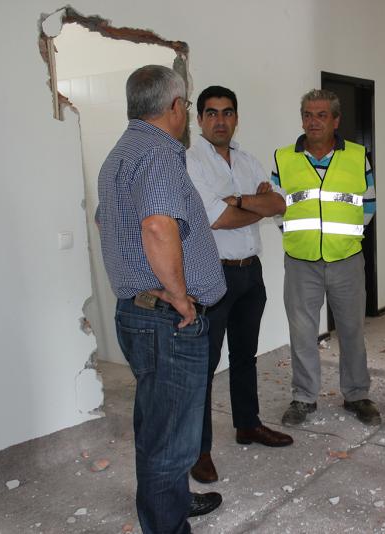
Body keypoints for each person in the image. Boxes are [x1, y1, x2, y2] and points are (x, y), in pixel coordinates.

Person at [96, 65, 226, 533]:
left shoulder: (122, 152)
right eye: (187, 106)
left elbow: (105, 221)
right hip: (167, 320)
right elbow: (156, 225)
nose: (185, 114)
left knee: (158, 424)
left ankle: (171, 503)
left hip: (142, 314)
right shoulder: (158, 153)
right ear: (174, 107)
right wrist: (180, 297)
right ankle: (166, 525)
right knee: (171, 439)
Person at [185, 86, 293, 484]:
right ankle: (199, 451)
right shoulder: (191, 162)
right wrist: (250, 205)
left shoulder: (248, 160)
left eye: (227, 112)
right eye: (212, 113)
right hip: (212, 274)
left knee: (245, 355)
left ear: (236, 118)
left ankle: (248, 424)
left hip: (251, 272)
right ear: (199, 119)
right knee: (205, 365)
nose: (220, 120)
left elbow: (278, 204)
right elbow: (217, 219)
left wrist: (237, 200)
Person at [271, 89, 379, 426]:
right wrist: (300, 238)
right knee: (302, 333)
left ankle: (357, 394)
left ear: (336, 120)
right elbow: (276, 207)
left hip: (346, 260)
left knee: (352, 330)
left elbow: (368, 204)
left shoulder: (357, 156)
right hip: (300, 261)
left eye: (321, 115)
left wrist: (344, 239)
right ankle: (304, 398)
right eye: (308, 115)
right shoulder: (283, 158)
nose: (313, 121)